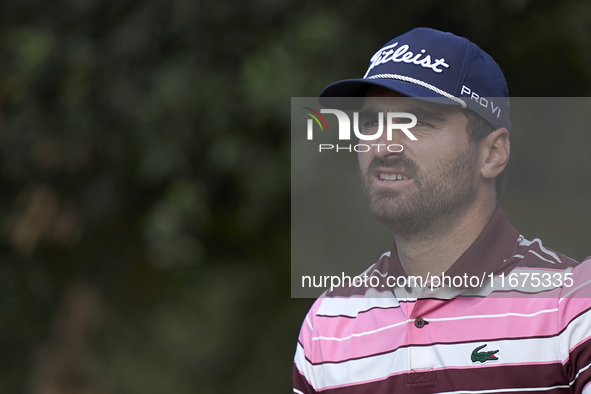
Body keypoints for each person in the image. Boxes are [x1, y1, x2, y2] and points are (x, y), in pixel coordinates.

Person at [293, 27, 591, 394]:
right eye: (370, 122)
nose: (384, 146)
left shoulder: (574, 305)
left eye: (416, 121)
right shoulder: (328, 327)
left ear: (492, 153)